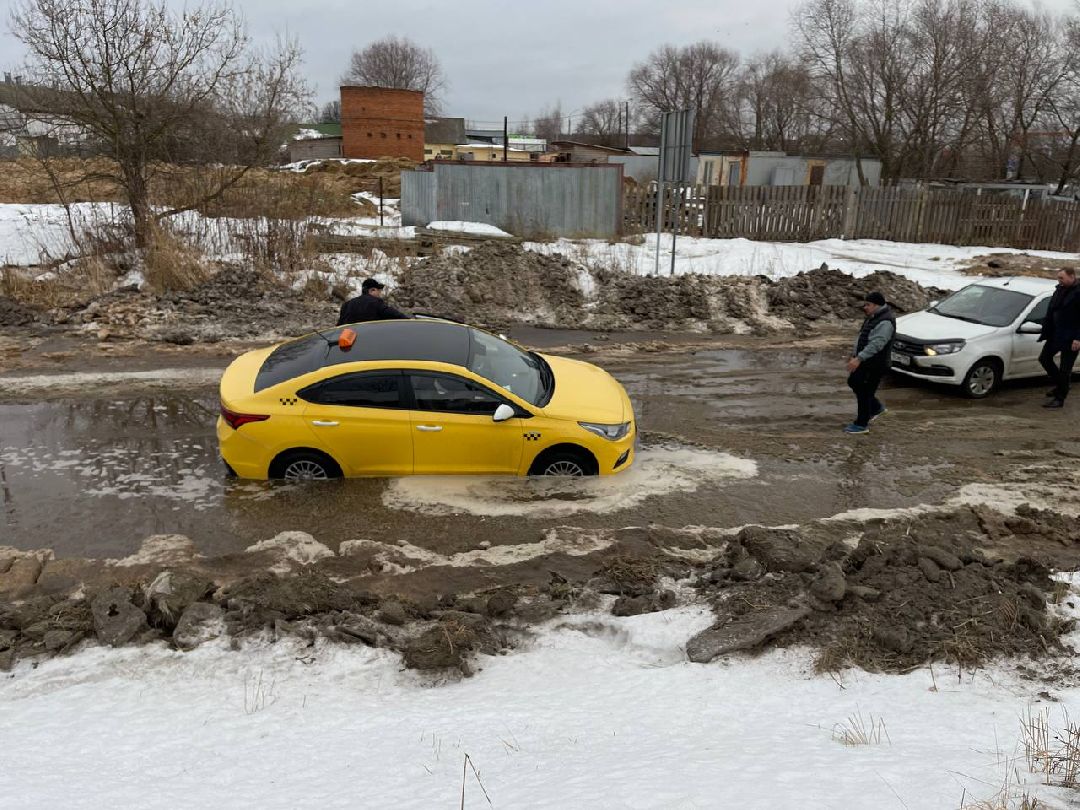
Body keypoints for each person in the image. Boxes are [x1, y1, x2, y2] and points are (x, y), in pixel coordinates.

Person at [844, 291, 895, 434]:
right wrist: (854, 355)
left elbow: (877, 344)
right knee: (854, 382)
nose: (864, 307)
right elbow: (863, 337)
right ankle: (876, 408)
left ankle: (861, 424)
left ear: (877, 305)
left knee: (865, 392)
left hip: (874, 365)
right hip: (865, 361)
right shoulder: (873, 317)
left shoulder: (885, 321)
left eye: (868, 304)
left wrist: (859, 358)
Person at [1038, 267, 1080, 409]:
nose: (1059, 280)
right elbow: (1052, 309)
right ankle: (1062, 386)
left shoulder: (1078, 292)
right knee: (1044, 358)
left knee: (1065, 369)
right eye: (1058, 278)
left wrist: (1078, 338)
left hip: (1071, 337)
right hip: (1056, 334)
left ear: (1072, 276)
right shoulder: (1059, 289)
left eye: (1062, 278)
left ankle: (1059, 399)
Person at [336, 278, 410, 326]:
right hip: (371, 340)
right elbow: (392, 314)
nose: (379, 294)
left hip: (350, 344)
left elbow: (339, 326)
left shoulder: (346, 305)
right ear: (372, 290)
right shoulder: (375, 302)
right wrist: (409, 321)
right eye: (378, 291)